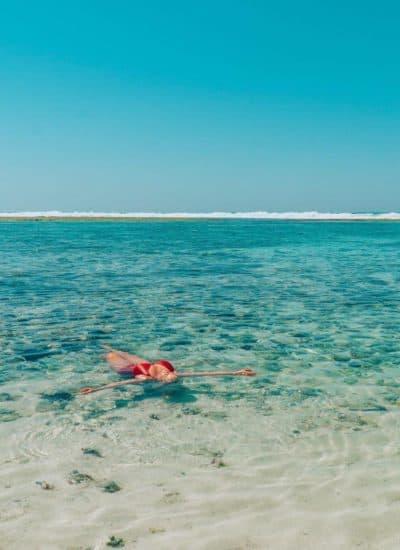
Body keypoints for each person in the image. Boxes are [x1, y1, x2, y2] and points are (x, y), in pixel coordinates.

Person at [79, 344, 256, 395]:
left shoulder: (147, 379)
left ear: (162, 380)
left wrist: (95, 389)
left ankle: (103, 354)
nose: (166, 372)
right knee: (121, 352)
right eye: (168, 372)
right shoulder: (171, 372)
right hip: (144, 362)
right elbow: (204, 373)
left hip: (127, 370)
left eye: (166, 375)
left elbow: (121, 383)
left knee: (111, 358)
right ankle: (109, 348)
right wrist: (237, 372)